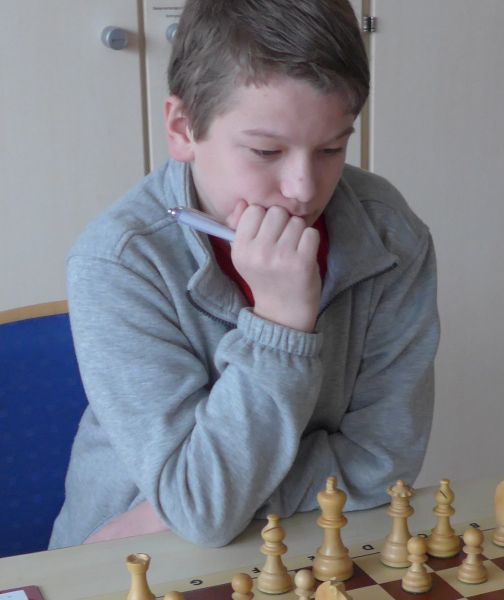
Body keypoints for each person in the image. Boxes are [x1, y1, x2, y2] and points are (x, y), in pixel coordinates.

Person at [50, 0, 440, 549]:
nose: (303, 188)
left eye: (331, 148)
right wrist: (280, 323)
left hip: (291, 536)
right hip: (127, 552)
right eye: (266, 151)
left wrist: (183, 507)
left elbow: (385, 463)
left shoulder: (391, 236)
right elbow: (203, 513)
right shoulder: (119, 261)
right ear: (183, 128)